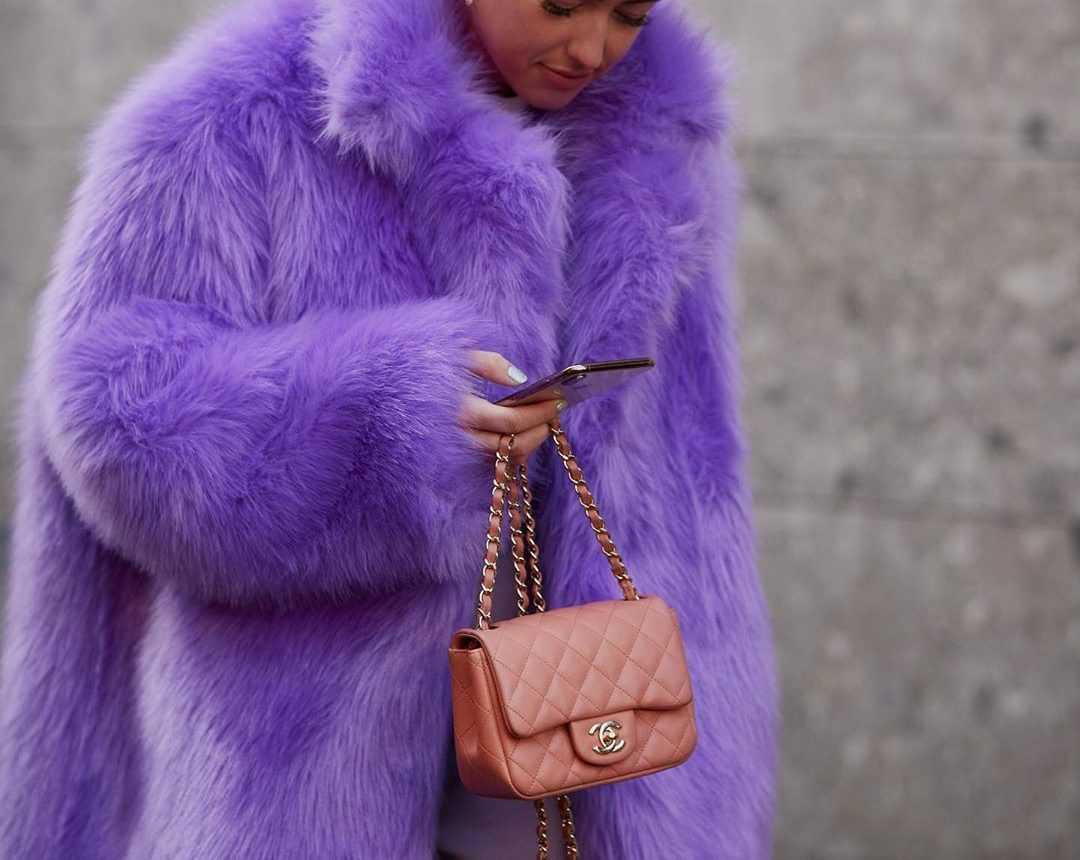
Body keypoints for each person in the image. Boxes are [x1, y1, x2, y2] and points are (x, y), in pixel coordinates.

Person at [0, 0, 779, 856]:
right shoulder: (235, 109)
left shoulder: (658, 144)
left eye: (629, 13)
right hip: (303, 775)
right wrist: (391, 421)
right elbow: (117, 417)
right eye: (561, 4)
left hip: (601, 751)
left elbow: (697, 471)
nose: (593, 48)